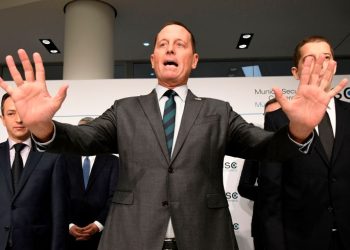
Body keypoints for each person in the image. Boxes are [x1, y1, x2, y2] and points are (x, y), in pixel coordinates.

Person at [0, 21, 347, 250]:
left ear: (193, 59)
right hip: (132, 239)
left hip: (204, 238)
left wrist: (300, 128)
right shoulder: (125, 109)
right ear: (152, 59)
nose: (170, 48)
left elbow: (267, 148)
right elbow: (82, 140)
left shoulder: (218, 111)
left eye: (179, 44)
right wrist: (42, 126)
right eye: (163, 44)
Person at [259, 36, 350, 250]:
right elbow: (271, 191)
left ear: (334, 65)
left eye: (326, 57)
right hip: (302, 240)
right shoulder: (278, 120)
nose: (320, 64)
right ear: (296, 72)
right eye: (310, 60)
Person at [0, 93, 67, 250]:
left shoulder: (52, 157)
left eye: (24, 113)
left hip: (36, 244)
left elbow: (59, 214)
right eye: (11, 113)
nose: (19, 119)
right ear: (2, 119)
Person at [62, 117, 119, 250]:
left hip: (102, 236)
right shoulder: (63, 159)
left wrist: (98, 224)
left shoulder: (113, 162)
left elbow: (114, 197)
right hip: (67, 236)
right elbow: (59, 195)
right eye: (81, 132)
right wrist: (69, 224)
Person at [238, 98, 280, 250]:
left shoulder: (303, 144)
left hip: (299, 223)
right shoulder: (257, 147)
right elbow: (244, 187)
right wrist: (271, 193)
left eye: (278, 115)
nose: (274, 121)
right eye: (269, 116)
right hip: (265, 224)